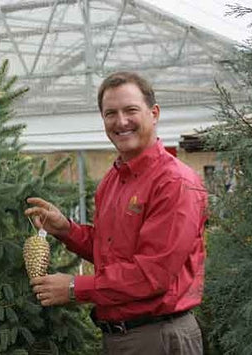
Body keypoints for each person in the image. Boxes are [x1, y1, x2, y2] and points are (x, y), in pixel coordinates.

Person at [25, 72, 208, 355]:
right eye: (111, 113)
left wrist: (75, 287)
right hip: (119, 335)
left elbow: (153, 274)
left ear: (154, 113)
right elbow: (112, 251)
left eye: (130, 110)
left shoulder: (174, 183)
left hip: (158, 336)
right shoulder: (113, 180)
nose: (121, 121)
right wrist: (65, 229)